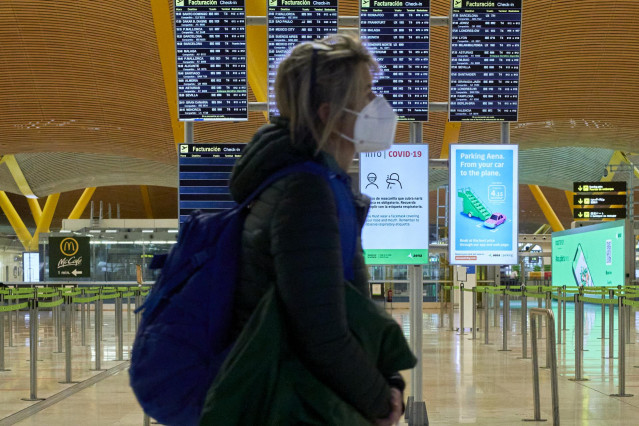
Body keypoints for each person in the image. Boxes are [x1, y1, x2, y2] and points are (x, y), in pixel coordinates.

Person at [226, 34, 405, 424]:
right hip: (292, 405)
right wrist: (380, 400)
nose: (377, 106)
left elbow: (343, 303)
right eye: (366, 94)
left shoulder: (321, 182)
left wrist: (386, 375)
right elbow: (318, 331)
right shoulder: (305, 192)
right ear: (329, 112)